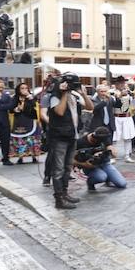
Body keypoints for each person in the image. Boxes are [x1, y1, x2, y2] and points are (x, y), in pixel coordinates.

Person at [46, 74, 94, 210]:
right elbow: (60, 112)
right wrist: (64, 93)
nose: (74, 87)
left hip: (72, 136)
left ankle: (65, 193)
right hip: (59, 137)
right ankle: (59, 199)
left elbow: (90, 108)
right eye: (72, 84)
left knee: (67, 167)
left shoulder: (75, 96)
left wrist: (83, 94)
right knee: (58, 169)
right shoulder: (55, 96)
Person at [74, 126, 127, 192]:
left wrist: (112, 151)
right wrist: (84, 164)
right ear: (94, 138)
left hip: (104, 163)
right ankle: (90, 182)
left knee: (122, 184)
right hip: (90, 166)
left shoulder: (104, 137)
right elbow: (70, 160)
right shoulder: (80, 142)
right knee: (101, 177)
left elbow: (110, 148)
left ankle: (109, 178)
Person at [9, 82, 41, 164]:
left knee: (32, 140)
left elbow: (36, 107)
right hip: (19, 121)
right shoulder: (14, 98)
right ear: (18, 90)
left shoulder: (31, 97)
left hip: (30, 120)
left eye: (26, 88)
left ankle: (34, 156)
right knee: (20, 140)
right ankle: (20, 157)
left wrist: (30, 98)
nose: (24, 90)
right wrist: (17, 109)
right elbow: (10, 109)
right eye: (22, 88)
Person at [112, 82, 135, 163]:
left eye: (126, 88)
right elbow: (115, 105)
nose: (124, 89)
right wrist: (118, 96)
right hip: (117, 117)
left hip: (127, 118)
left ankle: (127, 156)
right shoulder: (114, 95)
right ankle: (113, 157)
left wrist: (132, 97)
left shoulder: (130, 96)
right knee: (114, 138)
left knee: (128, 137)